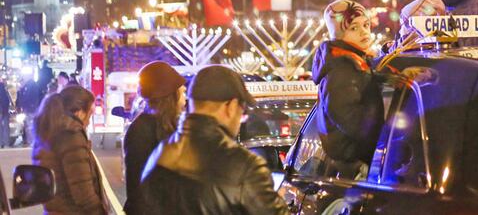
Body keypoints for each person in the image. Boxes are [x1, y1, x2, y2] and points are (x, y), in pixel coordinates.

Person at [140, 65, 288, 215]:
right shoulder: (245, 167)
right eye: (242, 110)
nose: (241, 119)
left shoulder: (159, 155)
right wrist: (276, 201)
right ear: (230, 106)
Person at [312, 0, 386, 173]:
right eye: (354, 28)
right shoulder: (341, 69)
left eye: (366, 25)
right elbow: (355, 123)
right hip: (355, 169)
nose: (364, 32)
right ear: (338, 34)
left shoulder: (357, 63)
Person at [31, 85, 109, 214]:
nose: (89, 122)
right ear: (78, 112)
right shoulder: (71, 136)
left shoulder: (48, 132)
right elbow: (83, 192)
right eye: (89, 115)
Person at [123, 61, 186, 215]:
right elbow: (138, 188)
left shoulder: (172, 125)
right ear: (169, 94)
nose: (185, 98)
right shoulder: (141, 130)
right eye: (182, 92)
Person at [16, 77, 42, 145]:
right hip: (29, 109)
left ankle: (32, 142)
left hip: (31, 110)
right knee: (28, 127)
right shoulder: (28, 86)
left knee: (30, 127)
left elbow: (26, 99)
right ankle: (31, 142)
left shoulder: (31, 86)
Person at [0, 80, 12, 147]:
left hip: (1, 110)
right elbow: (7, 100)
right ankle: (6, 143)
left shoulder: (2, 88)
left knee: (1, 128)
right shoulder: (4, 90)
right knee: (5, 127)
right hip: (5, 110)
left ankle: (1, 143)